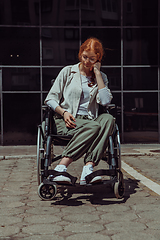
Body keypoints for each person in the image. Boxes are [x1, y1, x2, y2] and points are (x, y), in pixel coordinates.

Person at [45, 37, 114, 185]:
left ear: (98, 59)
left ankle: (88, 169)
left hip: (90, 121)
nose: (87, 61)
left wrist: (97, 75)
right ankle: (61, 167)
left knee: (108, 120)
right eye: (84, 57)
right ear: (80, 53)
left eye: (92, 58)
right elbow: (50, 99)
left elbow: (106, 101)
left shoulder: (102, 77)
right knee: (94, 126)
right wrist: (63, 112)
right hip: (67, 120)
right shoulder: (68, 72)